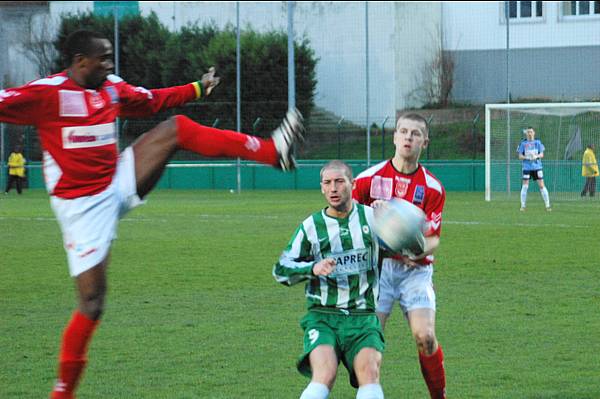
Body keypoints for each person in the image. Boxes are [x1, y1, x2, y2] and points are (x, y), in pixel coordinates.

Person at [0, 29, 304, 399]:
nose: (110, 64)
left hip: (116, 178)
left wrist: (196, 87)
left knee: (175, 129)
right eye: (104, 58)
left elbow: (150, 100)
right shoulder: (46, 93)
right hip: (81, 208)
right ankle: (62, 393)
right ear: (80, 61)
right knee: (92, 304)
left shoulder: (110, 87)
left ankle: (273, 152)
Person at [352, 113, 447, 399]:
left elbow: (433, 240)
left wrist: (413, 247)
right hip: (377, 271)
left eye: (415, 133)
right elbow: (349, 225)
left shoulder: (433, 188)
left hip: (415, 273)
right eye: (403, 131)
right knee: (368, 349)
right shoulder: (368, 180)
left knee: (425, 337)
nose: (408, 137)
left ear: (425, 142)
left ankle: (439, 397)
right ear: (394, 137)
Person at [273, 160, 385, 399]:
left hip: (362, 317)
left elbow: (413, 247)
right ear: (322, 188)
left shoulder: (373, 217)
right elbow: (280, 269)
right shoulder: (311, 226)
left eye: (339, 181)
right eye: (327, 183)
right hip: (323, 316)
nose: (333, 188)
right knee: (325, 373)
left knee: (370, 373)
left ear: (352, 185)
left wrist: (395, 218)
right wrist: (313, 268)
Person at [517, 127, 551, 211]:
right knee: (525, 186)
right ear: (526, 133)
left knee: (542, 186)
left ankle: (547, 205)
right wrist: (527, 157)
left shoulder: (538, 142)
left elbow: (542, 154)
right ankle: (523, 206)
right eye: (528, 132)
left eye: (531, 132)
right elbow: (520, 156)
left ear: (534, 133)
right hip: (527, 167)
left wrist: (536, 156)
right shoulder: (523, 143)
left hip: (537, 167)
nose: (529, 133)